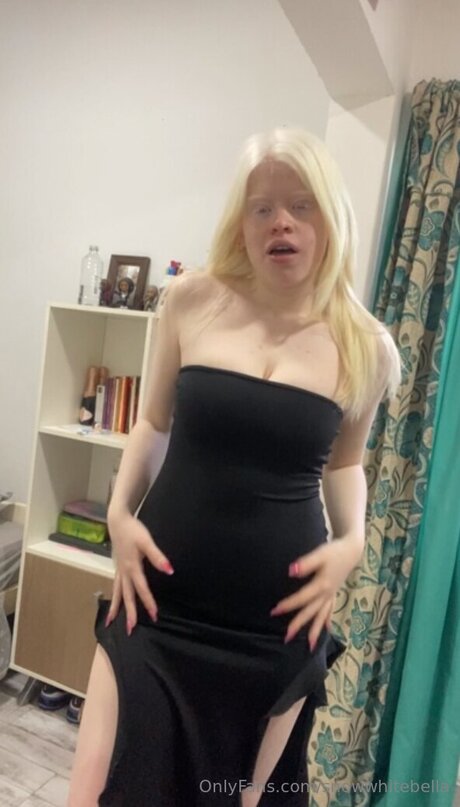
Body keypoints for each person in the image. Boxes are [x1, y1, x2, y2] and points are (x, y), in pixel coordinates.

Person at [68, 127, 400, 806]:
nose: (281, 221)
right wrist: (118, 516)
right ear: (241, 225)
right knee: (96, 789)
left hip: (275, 626)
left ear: (330, 218)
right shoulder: (192, 300)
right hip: (156, 600)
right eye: (262, 208)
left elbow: (344, 466)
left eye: (301, 205)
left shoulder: (365, 344)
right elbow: (152, 423)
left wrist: (353, 543)